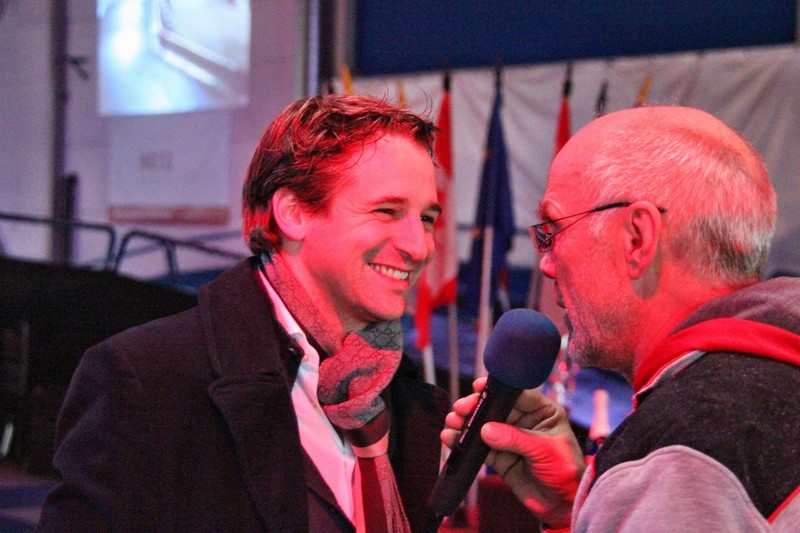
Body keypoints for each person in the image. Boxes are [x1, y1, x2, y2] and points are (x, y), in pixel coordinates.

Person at [37, 94, 450, 532]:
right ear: (292, 213)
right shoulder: (144, 379)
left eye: (426, 218)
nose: (420, 246)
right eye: (387, 211)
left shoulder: (408, 404)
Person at [442, 105, 800, 531]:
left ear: (637, 238)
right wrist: (575, 510)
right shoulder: (769, 389)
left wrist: (633, 488)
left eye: (553, 229)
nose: (546, 263)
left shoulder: (681, 451)